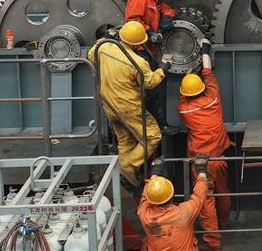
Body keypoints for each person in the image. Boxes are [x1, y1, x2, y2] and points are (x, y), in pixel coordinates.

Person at [88, 21, 172, 187]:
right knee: (153, 136)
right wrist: (163, 68)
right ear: (139, 43)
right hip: (129, 108)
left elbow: (91, 54)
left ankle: (123, 173)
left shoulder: (104, 48)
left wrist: (106, 38)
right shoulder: (137, 62)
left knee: (125, 140)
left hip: (110, 107)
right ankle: (127, 166)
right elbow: (149, 82)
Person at [178, 41, 231, 249]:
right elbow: (208, 73)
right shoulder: (213, 99)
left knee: (206, 200)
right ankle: (223, 224)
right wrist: (205, 50)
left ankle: (213, 242)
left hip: (200, 163)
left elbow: (184, 95)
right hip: (218, 159)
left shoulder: (184, 109)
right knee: (223, 193)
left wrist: (188, 70)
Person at [126, 0, 179, 134]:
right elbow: (132, 20)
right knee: (148, 90)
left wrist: (167, 17)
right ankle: (155, 126)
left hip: (149, 49)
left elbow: (168, 9)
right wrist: (149, 32)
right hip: (139, 49)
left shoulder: (155, 0)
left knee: (152, 89)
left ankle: (158, 125)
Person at [139, 156, 211, 251]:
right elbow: (200, 194)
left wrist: (155, 172)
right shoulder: (184, 212)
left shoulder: (145, 215)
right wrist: (201, 170)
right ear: (172, 196)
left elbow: (145, 196)